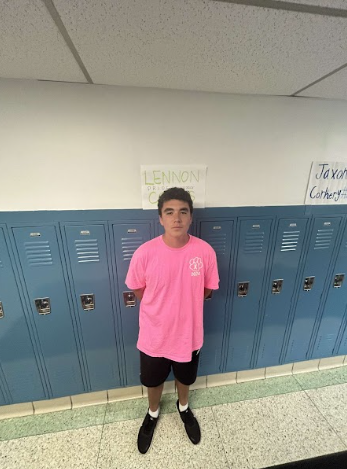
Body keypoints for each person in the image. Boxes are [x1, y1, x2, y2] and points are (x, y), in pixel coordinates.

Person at [125, 187, 219, 454]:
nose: (176, 218)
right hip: (154, 335)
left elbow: (208, 288)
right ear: (161, 218)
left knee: (185, 377)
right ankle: (152, 413)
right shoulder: (145, 253)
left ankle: (184, 408)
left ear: (190, 217)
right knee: (153, 381)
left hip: (189, 335)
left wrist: (183, 305)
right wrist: (161, 308)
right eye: (170, 212)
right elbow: (137, 288)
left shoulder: (204, 251)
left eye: (183, 212)